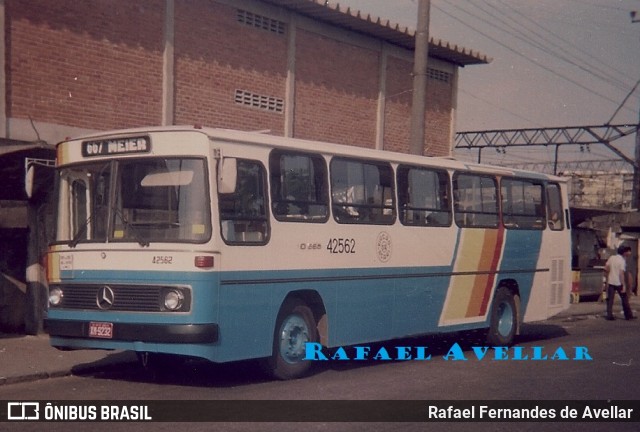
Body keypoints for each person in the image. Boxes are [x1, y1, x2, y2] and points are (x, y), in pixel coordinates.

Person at [604, 245, 636, 320]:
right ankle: (628, 315)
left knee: (610, 300)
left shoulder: (612, 258)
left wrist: (608, 275)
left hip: (611, 281)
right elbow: (621, 273)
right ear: (624, 253)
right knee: (624, 299)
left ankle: (609, 315)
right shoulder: (622, 261)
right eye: (627, 251)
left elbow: (606, 268)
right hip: (618, 282)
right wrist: (624, 285)